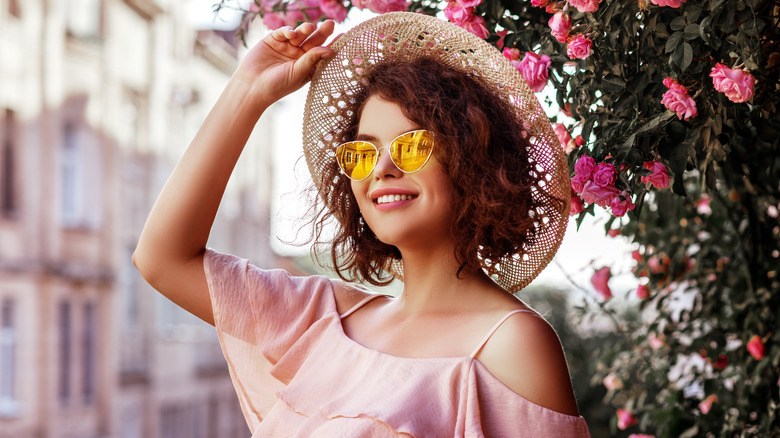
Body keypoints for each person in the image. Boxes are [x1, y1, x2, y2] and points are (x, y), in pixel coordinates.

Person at [134, 12, 591, 437]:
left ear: (471, 159)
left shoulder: (513, 344)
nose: (382, 169)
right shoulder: (320, 318)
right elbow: (161, 259)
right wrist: (249, 90)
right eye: (364, 152)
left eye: (412, 145)